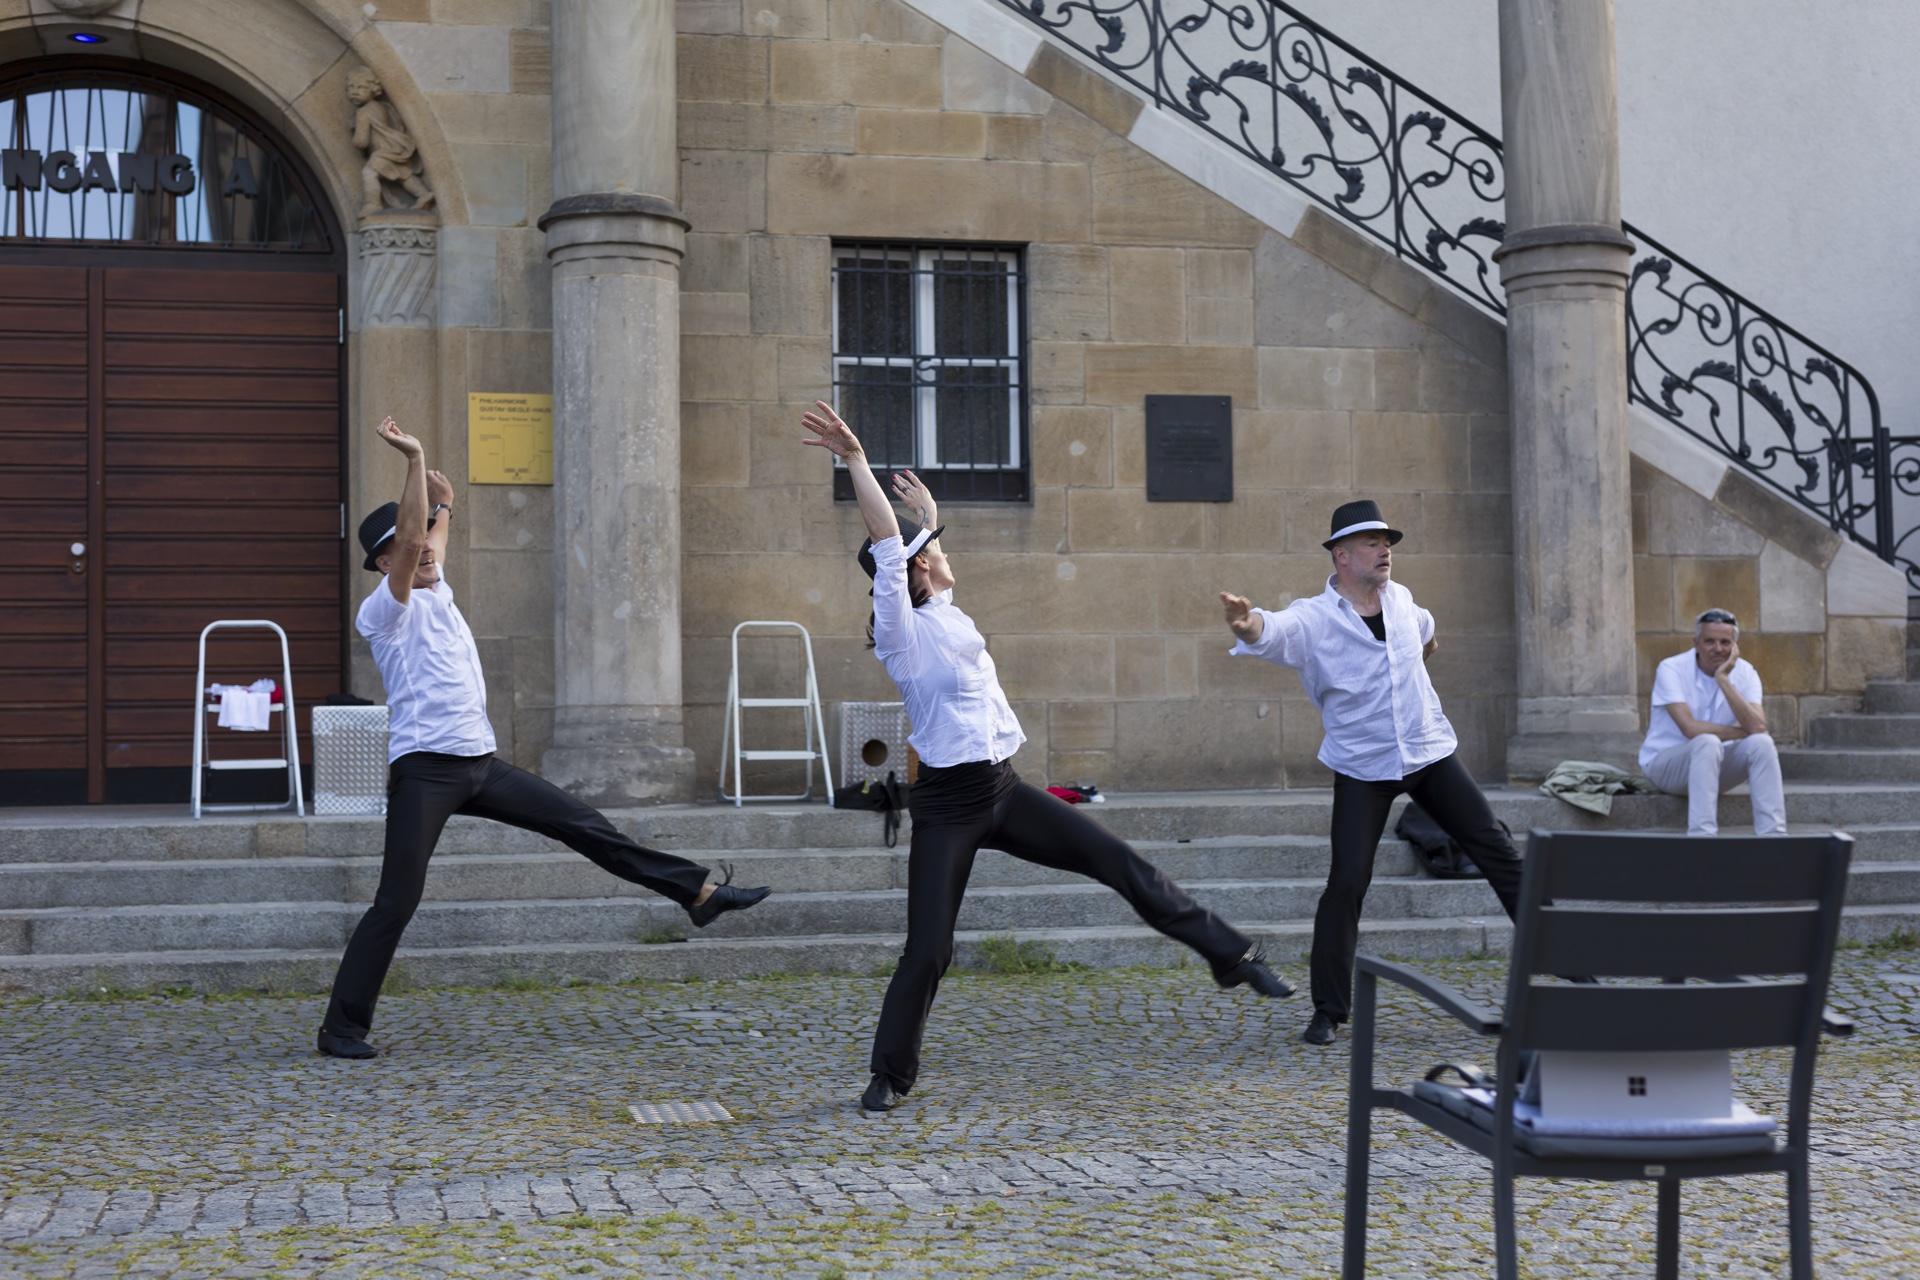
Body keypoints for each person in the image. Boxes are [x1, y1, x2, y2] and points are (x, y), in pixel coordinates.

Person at [799, 401, 1296, 1113]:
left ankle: (1232, 957)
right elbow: (886, 541)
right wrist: (855, 459)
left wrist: (929, 514)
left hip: (1003, 791)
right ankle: (890, 1074)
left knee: (1122, 863)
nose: (943, 555)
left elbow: (918, 549)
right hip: (947, 808)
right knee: (930, 948)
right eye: (931, 552)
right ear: (912, 571)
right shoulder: (900, 631)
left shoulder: (947, 613)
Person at [317, 417, 769, 1060]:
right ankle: (340, 1029)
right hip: (426, 771)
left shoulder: (436, 584)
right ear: (385, 563)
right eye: (406, 549)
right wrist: (414, 461)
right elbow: (417, 537)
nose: (424, 552)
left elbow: (430, 538)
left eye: (423, 545)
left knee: (585, 825)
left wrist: (446, 505)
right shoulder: (385, 611)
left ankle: (699, 894)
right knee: (397, 901)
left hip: (480, 765)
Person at [1219, 500, 1523, 1047]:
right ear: (1341, 555)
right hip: (1363, 766)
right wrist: (1248, 623)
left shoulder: (1402, 600)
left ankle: (1572, 970)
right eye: (1371, 543)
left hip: (1428, 753)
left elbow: (1427, 636)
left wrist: (1408, 682)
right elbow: (1271, 630)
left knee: (1500, 853)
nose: (1385, 550)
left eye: (1387, 542)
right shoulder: (1314, 618)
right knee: (1347, 881)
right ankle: (1328, 1012)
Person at [1638, 608, 1785, 836]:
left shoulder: (1746, 672)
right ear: (1695, 643)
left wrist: (1723, 679)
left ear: (1735, 645)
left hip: (1715, 768)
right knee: (1707, 742)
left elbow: (1758, 728)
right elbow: (1690, 728)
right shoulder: (1671, 668)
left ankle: (1774, 836)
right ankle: (1703, 836)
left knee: (1762, 744)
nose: (1718, 649)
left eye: (1725, 642)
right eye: (1709, 641)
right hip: (1666, 767)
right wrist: (1742, 731)